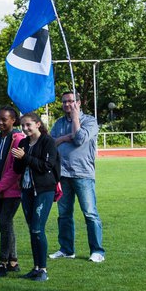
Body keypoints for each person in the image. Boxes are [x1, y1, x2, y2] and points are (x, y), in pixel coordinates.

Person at [50, 90, 104, 262]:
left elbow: (80, 139)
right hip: (63, 174)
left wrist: (75, 119)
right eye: (65, 101)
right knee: (64, 214)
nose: (68, 104)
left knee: (90, 213)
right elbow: (51, 143)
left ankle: (97, 251)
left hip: (83, 174)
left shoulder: (90, 121)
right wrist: (66, 137)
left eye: (71, 101)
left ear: (79, 103)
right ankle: (66, 249)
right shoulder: (58, 123)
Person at [12, 113, 60, 282]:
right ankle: (36, 267)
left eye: (28, 125)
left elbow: (46, 166)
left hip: (43, 190)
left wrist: (25, 157)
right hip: (26, 190)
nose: (25, 128)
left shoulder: (48, 141)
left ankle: (43, 269)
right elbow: (18, 169)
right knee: (32, 229)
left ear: (38, 124)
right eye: (22, 125)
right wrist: (18, 158)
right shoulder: (24, 142)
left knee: (37, 229)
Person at [0, 107, 25, 277]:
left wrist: (0, 187)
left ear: (13, 120)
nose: (0, 122)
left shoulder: (18, 139)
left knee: (4, 223)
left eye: (5, 119)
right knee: (6, 225)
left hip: (12, 191)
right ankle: (13, 261)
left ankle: (2, 262)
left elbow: (15, 169)